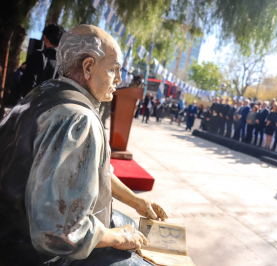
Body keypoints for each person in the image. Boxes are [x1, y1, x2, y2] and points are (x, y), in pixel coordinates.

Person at [0, 25, 168, 266]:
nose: (119, 80)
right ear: (88, 67)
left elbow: (90, 171)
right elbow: (58, 233)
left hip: (15, 233)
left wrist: (137, 201)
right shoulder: (77, 119)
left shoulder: (45, 92)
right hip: (33, 253)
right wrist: (114, 238)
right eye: (113, 69)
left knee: (129, 225)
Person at [20, 24, 66, 97]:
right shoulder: (67, 62)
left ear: (45, 38)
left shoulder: (38, 56)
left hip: (37, 106)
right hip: (57, 106)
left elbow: (27, 88)